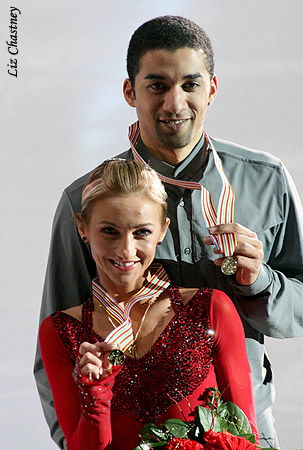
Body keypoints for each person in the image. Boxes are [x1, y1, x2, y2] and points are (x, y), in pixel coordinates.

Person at [34, 15, 303, 449]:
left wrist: (262, 282)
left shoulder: (266, 181)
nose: (175, 104)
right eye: (157, 85)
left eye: (190, 85)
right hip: (126, 435)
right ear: (130, 91)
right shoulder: (84, 202)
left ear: (211, 89)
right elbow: (59, 346)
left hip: (243, 430)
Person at [39, 159, 259, 450]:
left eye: (141, 232)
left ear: (162, 230)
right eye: (109, 231)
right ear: (83, 227)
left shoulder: (211, 309)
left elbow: (244, 438)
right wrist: (96, 395)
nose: (126, 250)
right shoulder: (62, 332)